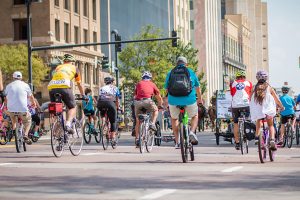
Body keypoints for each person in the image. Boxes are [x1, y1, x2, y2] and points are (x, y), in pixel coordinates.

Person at [164, 56, 203, 149]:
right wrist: (199, 99)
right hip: (189, 100)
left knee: (174, 119)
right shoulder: (191, 72)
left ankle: (177, 142)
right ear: (186, 64)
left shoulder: (170, 73)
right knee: (195, 116)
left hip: (173, 100)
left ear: (176, 63)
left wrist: (166, 101)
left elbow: (166, 89)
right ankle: (192, 132)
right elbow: (198, 88)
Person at [48, 54, 85, 134]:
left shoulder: (58, 67)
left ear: (63, 62)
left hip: (52, 87)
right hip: (64, 87)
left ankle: (56, 132)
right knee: (72, 107)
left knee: (56, 110)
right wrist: (83, 95)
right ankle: (68, 124)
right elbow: (79, 84)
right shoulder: (75, 68)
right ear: (72, 62)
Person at [250, 70, 284, 150]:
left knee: (259, 121)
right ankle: (272, 139)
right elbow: (277, 100)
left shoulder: (254, 88)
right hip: (268, 110)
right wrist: (281, 107)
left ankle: (257, 137)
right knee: (271, 125)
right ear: (266, 78)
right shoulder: (269, 88)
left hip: (258, 110)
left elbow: (250, 98)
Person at [4, 71, 36, 144]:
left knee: (12, 116)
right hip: (23, 110)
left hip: (11, 110)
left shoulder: (9, 86)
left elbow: (5, 98)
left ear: (13, 77)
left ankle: (14, 129)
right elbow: (31, 96)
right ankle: (25, 135)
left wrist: (6, 106)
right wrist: (33, 103)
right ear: (21, 78)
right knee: (28, 121)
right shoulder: (25, 85)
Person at [134, 71, 163, 146]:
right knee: (155, 110)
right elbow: (158, 97)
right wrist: (160, 105)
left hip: (138, 102)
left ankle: (137, 139)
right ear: (150, 78)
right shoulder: (152, 84)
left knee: (138, 120)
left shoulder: (138, 84)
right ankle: (152, 124)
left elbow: (135, 95)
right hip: (148, 101)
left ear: (142, 78)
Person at [230, 71, 252, 150]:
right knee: (247, 120)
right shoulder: (248, 83)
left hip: (235, 106)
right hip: (246, 105)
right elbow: (250, 93)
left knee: (236, 123)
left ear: (237, 77)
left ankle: (237, 142)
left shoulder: (233, 83)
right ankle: (246, 133)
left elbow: (232, 94)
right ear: (244, 77)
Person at [97, 77, 120, 141]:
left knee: (103, 113)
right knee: (113, 120)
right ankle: (113, 136)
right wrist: (117, 107)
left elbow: (99, 97)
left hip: (101, 103)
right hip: (110, 103)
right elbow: (117, 99)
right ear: (112, 82)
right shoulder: (115, 88)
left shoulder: (101, 88)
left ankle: (104, 124)